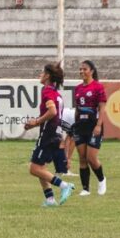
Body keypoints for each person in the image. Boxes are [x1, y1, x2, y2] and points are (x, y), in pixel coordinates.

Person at [24, 63, 75, 207]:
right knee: (41, 168)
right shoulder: (57, 94)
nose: (40, 74)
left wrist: (36, 122)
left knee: (34, 169)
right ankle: (50, 199)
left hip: (48, 134)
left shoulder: (47, 91)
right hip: (55, 133)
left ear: (47, 76)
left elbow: (52, 112)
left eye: (42, 72)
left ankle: (65, 185)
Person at [74, 60, 108, 196]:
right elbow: (77, 108)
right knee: (82, 157)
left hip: (93, 126)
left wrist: (99, 125)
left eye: (85, 69)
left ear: (92, 71)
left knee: (91, 158)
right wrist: (74, 124)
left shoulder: (98, 87)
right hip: (80, 126)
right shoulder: (78, 88)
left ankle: (101, 179)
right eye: (80, 69)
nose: (82, 71)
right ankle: (85, 189)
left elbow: (102, 108)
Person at [53, 107, 77, 177]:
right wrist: (68, 159)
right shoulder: (80, 121)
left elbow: (69, 139)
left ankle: (63, 169)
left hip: (59, 115)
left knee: (61, 142)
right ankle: (63, 169)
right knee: (59, 142)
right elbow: (71, 140)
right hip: (58, 117)